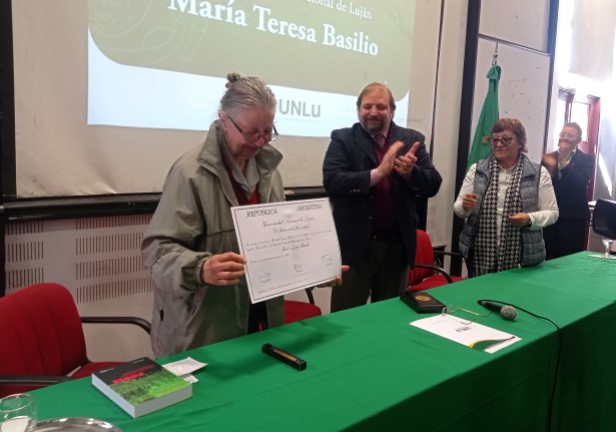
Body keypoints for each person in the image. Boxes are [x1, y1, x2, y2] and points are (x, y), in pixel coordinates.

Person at [142, 73, 343, 357]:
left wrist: (313, 269)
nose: (261, 142)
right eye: (251, 133)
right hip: (203, 327)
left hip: (259, 318)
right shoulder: (190, 173)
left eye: (268, 131)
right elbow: (157, 253)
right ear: (224, 120)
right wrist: (201, 268)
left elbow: (279, 244)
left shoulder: (269, 172)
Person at [322, 82, 442, 312]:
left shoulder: (412, 139)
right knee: (345, 317)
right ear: (358, 110)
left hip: (396, 248)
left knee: (389, 316)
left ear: (392, 111)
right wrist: (378, 174)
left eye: (381, 106)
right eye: (367, 106)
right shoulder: (343, 139)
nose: (374, 112)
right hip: (353, 247)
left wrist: (411, 173)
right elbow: (333, 181)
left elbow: (433, 183)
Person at [454, 118, 558, 277]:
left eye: (506, 139)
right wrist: (465, 207)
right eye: (494, 139)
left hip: (523, 258)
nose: (499, 144)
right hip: (479, 256)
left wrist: (529, 218)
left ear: (520, 143)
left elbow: (552, 212)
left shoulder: (537, 173)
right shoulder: (478, 170)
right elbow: (460, 209)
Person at [541, 122, 595, 259]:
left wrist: (565, 167)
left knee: (569, 257)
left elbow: (581, 184)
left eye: (570, 135)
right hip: (550, 216)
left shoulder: (586, 159)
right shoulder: (548, 158)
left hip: (573, 219)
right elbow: (542, 185)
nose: (565, 137)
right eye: (563, 134)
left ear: (578, 140)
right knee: (548, 256)